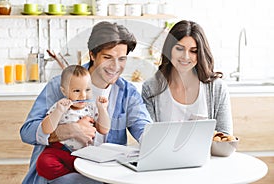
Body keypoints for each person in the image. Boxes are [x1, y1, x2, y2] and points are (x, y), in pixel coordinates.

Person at [20, 21, 152, 184]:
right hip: (60, 174)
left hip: (104, 175)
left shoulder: (127, 92)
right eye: (107, 57)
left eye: (122, 59)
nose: (115, 66)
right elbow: (26, 132)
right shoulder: (60, 85)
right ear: (92, 54)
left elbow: (143, 127)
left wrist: (157, 142)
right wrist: (69, 130)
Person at [142, 20, 233, 135]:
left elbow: (224, 137)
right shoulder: (150, 87)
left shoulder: (217, 88)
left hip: (206, 153)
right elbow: (149, 137)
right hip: (164, 154)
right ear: (169, 49)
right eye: (179, 49)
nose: (185, 57)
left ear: (200, 54)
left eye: (193, 51)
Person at [36, 65, 110, 180]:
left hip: (83, 154)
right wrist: (58, 112)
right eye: (76, 91)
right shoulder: (60, 106)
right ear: (64, 91)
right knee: (43, 163)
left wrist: (103, 109)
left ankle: (80, 175)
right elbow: (46, 129)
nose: (83, 95)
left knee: (99, 166)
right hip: (59, 150)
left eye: (88, 89)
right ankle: (74, 176)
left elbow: (104, 129)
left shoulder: (92, 107)